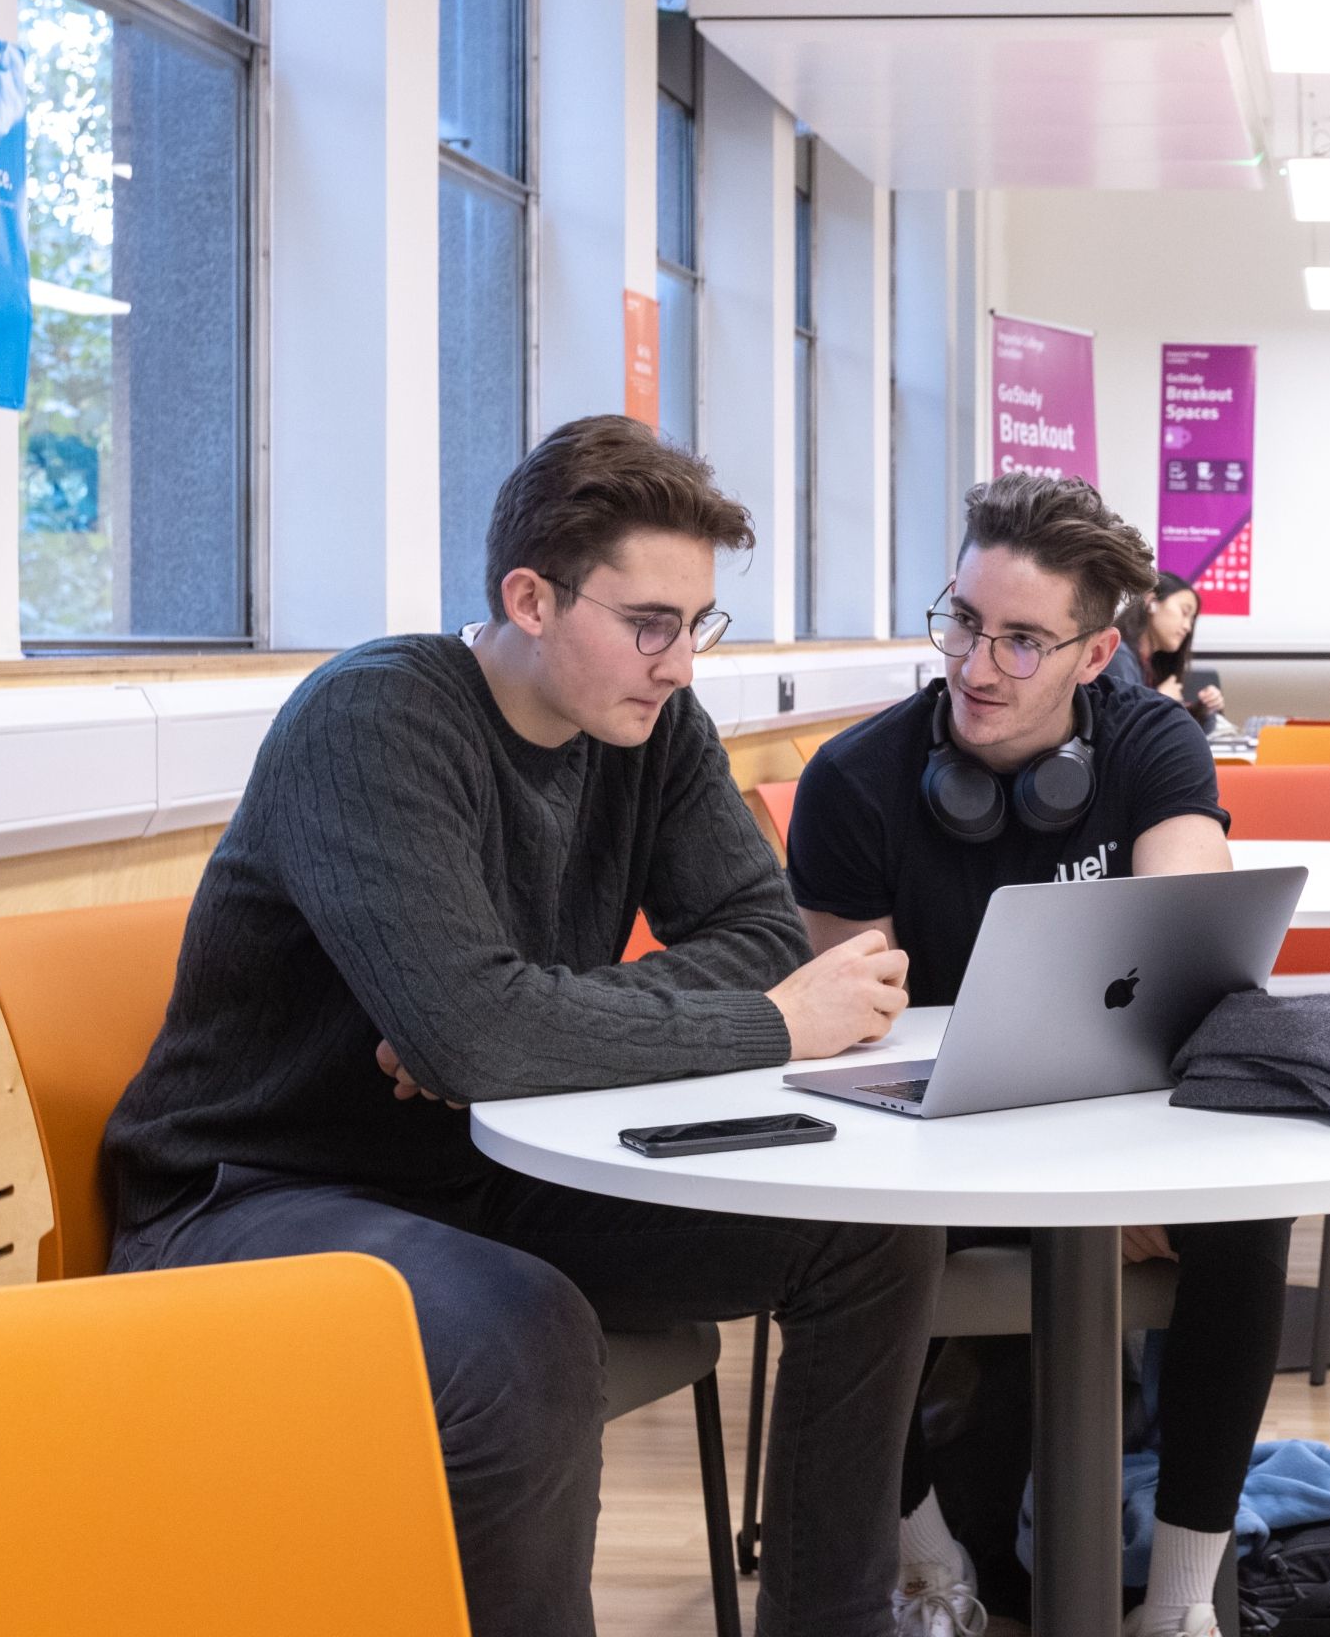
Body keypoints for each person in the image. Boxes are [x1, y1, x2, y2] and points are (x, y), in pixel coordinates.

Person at [103, 416, 943, 1637]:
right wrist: (736, 1029)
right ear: (531, 596)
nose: (679, 663)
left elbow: (760, 938)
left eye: (697, 625)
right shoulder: (373, 720)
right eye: (650, 623)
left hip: (495, 1163)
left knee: (863, 1234)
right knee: (526, 1325)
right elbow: (492, 1036)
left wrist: (527, 1015)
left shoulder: (651, 728)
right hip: (250, 1192)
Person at [787, 475, 1284, 1637]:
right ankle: (923, 1562)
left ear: (1098, 651)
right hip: (929, 1151)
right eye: (962, 620)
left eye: (1021, 638)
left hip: (1107, 1134)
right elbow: (853, 1034)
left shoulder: (1153, 742)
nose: (976, 664)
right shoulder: (855, 783)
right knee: (836, 1240)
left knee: (1253, 1210)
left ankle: (1178, 1601)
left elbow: (1194, 963)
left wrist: (1114, 1181)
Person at [1120, 569, 1225, 725]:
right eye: (1184, 612)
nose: (1188, 627)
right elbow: (1119, 728)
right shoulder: (1119, 655)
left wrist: (1204, 711)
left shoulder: (1153, 666)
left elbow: (1174, 733)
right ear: (1151, 603)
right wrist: (1160, 699)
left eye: (1192, 620)